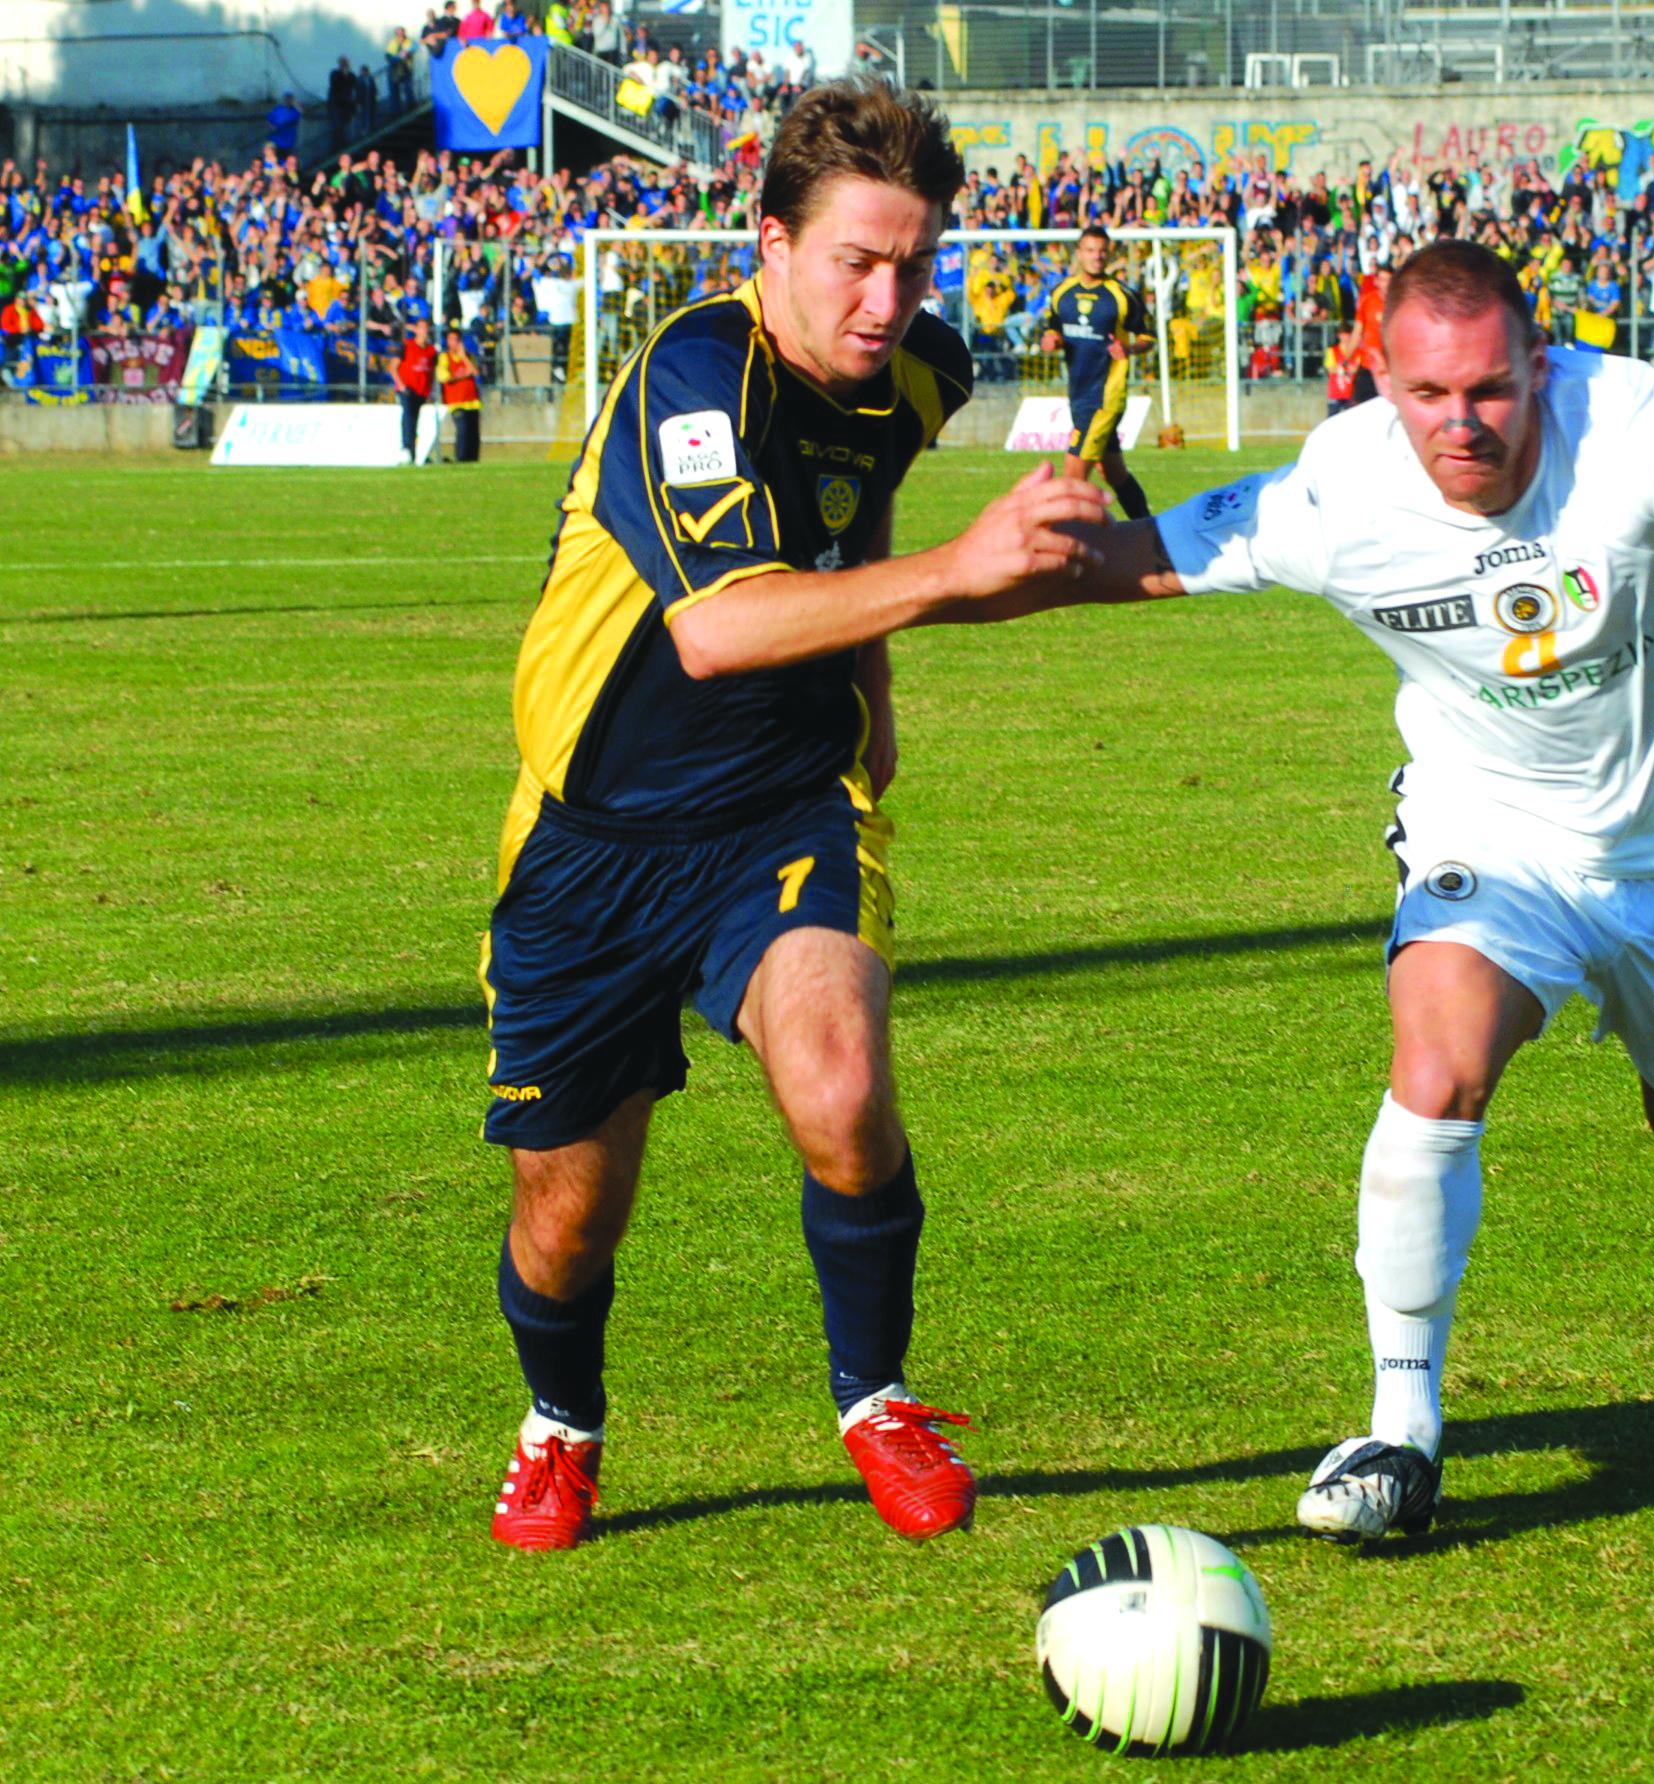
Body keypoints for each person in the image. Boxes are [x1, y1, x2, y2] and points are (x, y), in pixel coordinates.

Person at [1029, 239, 1654, 1538]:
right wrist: (894, 598)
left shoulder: (1639, 427)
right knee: (1437, 1064)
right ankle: (1402, 1428)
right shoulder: (1340, 488)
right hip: (1494, 831)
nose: (1463, 424)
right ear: (1378, 377)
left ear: (1538, 361)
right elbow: (1135, 562)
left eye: (1494, 390)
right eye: (1429, 395)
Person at [478, 76, 1107, 1553]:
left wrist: (875, 683)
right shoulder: (696, 376)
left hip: (784, 808)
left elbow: (871, 475)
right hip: (591, 841)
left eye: (916, 264)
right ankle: (561, 1424)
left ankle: (875, 1399)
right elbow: (719, 628)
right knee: (567, 1222)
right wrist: (956, 573)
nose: (892, 300)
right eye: (857, 263)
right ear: (771, 243)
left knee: (837, 1084)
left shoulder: (917, 363)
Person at [1039, 224, 1154, 520]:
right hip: (1078, 393)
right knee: (1113, 472)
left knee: (1073, 476)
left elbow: (1148, 337)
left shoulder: (1121, 295)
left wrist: (1128, 350)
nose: (1097, 257)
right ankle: (1149, 531)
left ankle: (1075, 547)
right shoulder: (1062, 293)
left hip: (1105, 396)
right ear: (1079, 254)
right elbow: (1051, 328)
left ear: (1109, 253)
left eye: (1102, 251)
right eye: (1090, 250)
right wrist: (1051, 339)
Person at [437, 325, 481, 461]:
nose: (453, 343)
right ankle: (460, 458)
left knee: (474, 433)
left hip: (472, 401)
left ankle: (473, 459)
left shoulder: (468, 356)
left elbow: (474, 372)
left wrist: (463, 357)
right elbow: (445, 377)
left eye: (456, 340)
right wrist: (462, 375)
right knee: (462, 430)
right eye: (451, 340)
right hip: (456, 401)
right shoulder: (444, 357)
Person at [394, 317, 436, 461]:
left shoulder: (431, 351)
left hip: (421, 390)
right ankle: (406, 447)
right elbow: (393, 366)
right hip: (407, 389)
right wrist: (400, 384)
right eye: (421, 328)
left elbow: (432, 371)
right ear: (416, 330)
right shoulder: (407, 346)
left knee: (416, 419)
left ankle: (413, 452)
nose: (424, 331)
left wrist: (431, 389)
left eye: (426, 328)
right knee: (408, 416)